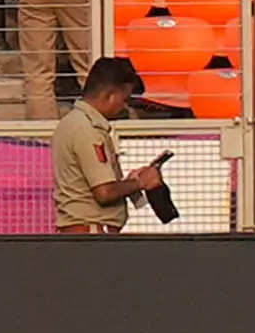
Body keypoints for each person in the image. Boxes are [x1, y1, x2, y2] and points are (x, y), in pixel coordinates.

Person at [55, 56, 171, 235]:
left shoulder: (73, 122)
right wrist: (140, 182)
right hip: (92, 233)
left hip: (82, 231)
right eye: (124, 99)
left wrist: (128, 183)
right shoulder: (87, 129)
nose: (124, 107)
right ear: (111, 96)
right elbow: (104, 193)